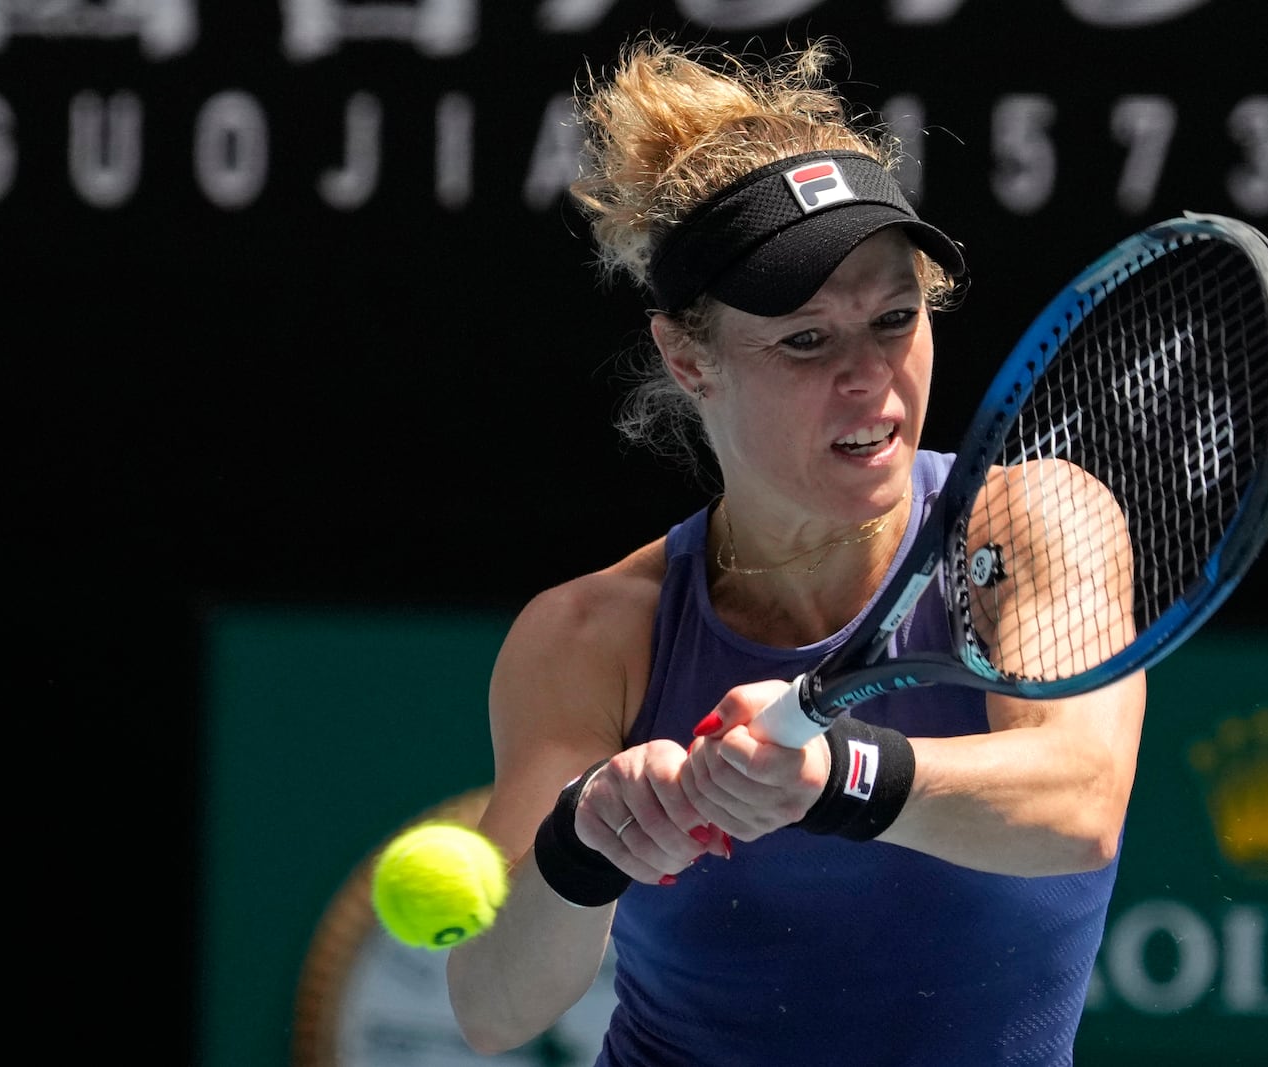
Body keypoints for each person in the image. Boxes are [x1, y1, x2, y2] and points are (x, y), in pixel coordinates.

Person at [446, 33, 1146, 1066]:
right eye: (806, 340)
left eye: (895, 318)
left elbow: (1077, 801)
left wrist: (832, 775)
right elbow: (492, 1004)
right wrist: (583, 840)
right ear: (688, 357)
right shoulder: (591, 634)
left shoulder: (1031, 521)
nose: (870, 378)